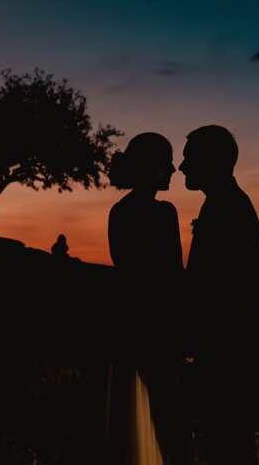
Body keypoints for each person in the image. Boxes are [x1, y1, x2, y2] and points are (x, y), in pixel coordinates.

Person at [180, 125, 259, 465]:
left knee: (227, 439)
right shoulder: (225, 203)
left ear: (210, 160)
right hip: (228, 348)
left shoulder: (227, 207)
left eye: (189, 159)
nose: (183, 167)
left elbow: (218, 287)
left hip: (226, 349)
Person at [104, 132, 188, 465]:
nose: (173, 170)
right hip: (159, 330)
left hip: (128, 327)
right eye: (167, 163)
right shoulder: (164, 213)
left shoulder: (119, 211)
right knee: (170, 423)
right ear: (153, 167)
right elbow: (172, 278)